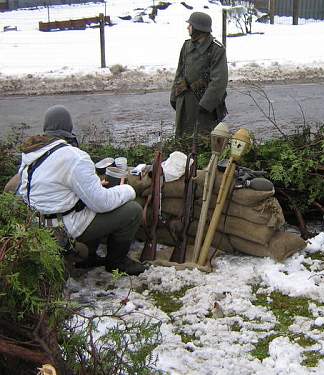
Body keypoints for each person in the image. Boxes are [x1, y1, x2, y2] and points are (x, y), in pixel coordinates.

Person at [16, 105, 146, 275]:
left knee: (88, 205)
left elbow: (53, 189)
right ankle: (116, 262)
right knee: (132, 210)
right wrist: (127, 189)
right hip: (63, 227)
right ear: (69, 128)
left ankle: (88, 257)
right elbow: (102, 203)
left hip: (38, 225)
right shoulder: (74, 157)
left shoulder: (32, 154)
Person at [170, 11, 228, 138]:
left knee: (201, 143)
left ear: (197, 28)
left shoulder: (216, 49)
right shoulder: (186, 46)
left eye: (190, 25)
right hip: (184, 102)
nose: (187, 28)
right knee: (182, 140)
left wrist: (205, 106)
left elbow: (219, 81)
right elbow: (180, 72)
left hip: (202, 105)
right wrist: (174, 96)